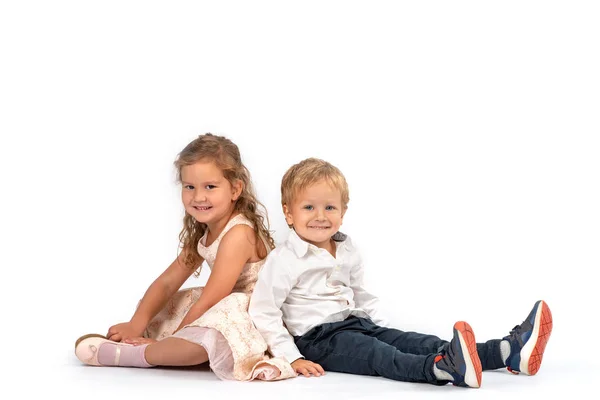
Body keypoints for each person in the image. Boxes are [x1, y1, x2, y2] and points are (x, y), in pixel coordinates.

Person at [248, 157, 553, 388]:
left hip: (357, 324)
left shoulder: (347, 249)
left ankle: (507, 352)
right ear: (288, 213)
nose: (320, 216)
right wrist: (293, 356)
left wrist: (386, 331)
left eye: (329, 207)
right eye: (308, 208)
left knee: (413, 341)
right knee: (377, 353)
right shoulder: (284, 259)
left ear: (343, 212)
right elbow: (264, 310)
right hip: (318, 339)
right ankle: (440, 369)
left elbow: (362, 293)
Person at [75, 133, 296, 381]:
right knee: (165, 309)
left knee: (204, 337)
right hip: (222, 303)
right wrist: (136, 322)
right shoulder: (205, 231)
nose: (198, 197)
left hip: (253, 312)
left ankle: (140, 355)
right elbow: (168, 282)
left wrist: (177, 337)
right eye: (189, 187)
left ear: (235, 189)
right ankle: (155, 346)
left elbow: (213, 299)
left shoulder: (239, 234)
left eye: (210, 187)